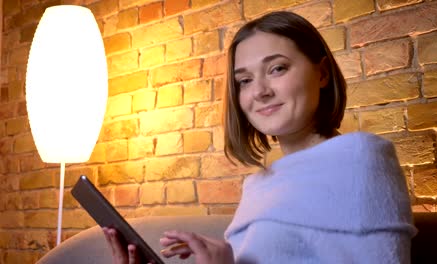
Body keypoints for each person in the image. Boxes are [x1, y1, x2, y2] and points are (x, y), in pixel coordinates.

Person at [103, 11, 417, 264]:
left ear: (321, 73)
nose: (261, 91)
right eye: (245, 80)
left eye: (277, 69)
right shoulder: (259, 184)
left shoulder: (360, 158)